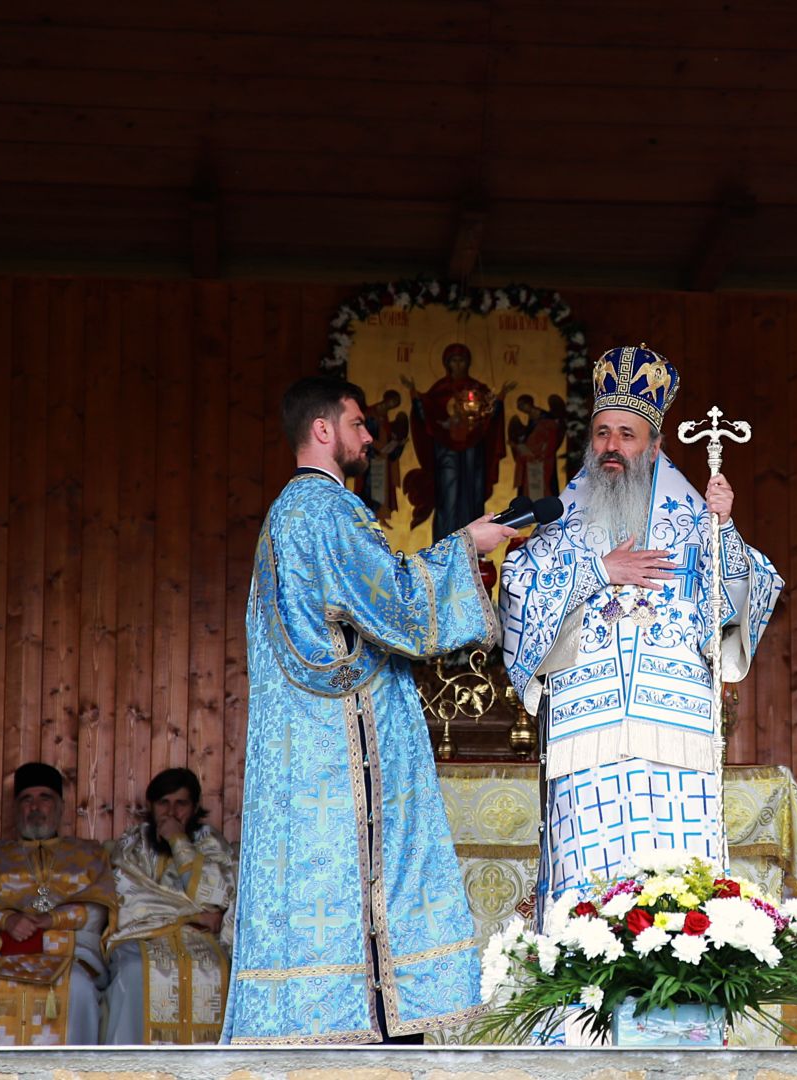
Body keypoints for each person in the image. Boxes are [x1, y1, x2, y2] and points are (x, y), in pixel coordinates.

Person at [224, 375, 514, 1044]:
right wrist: (465, 545)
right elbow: (398, 604)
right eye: (357, 424)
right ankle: (374, 1032)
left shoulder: (284, 515)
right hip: (342, 753)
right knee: (368, 891)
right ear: (323, 431)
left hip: (301, 748)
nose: (367, 438)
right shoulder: (328, 511)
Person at [500, 345, 782, 904]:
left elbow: (744, 596)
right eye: (603, 433)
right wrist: (597, 570)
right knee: (589, 901)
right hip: (588, 735)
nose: (612, 446)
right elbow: (516, 585)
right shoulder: (562, 523)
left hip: (673, 736)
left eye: (627, 435)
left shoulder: (694, 520)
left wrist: (723, 528)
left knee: (676, 898)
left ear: (655, 446)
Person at [0, 763, 117, 1046]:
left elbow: (100, 907)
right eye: (26, 799)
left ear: (60, 806)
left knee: (79, 990)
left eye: (44, 797)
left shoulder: (89, 852)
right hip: (5, 949)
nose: (35, 806)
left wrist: (52, 920)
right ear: (16, 808)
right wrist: (7, 919)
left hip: (69, 953)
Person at [105, 767, 237, 1045]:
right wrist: (196, 914)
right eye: (163, 803)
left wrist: (179, 841)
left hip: (201, 940)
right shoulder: (133, 843)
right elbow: (130, 897)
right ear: (151, 807)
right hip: (143, 938)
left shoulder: (210, 841)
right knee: (133, 972)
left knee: (218, 970)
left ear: (195, 807)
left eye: (181, 804)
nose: (171, 812)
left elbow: (221, 894)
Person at [401, 342, 516, 539]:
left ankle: (474, 545)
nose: (458, 364)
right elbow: (428, 415)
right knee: (448, 496)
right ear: (447, 363)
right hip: (446, 452)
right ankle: (444, 546)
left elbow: (488, 416)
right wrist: (415, 398)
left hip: (473, 452)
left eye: (462, 360)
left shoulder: (478, 389)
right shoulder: (440, 390)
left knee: (472, 497)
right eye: (454, 360)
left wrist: (500, 399)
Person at [352, 388, 409, 522]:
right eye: (393, 401)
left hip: (381, 460)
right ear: (387, 399)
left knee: (381, 490)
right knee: (368, 489)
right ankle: (368, 518)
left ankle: (380, 518)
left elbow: (386, 438)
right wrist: (378, 449)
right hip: (372, 458)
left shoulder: (384, 417)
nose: (393, 405)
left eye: (395, 404)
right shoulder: (370, 414)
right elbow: (366, 436)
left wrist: (397, 444)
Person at [508, 393, 565, 501]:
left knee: (543, 488)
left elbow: (546, 439)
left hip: (542, 459)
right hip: (532, 461)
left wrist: (527, 449)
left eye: (522, 405)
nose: (521, 409)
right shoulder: (532, 419)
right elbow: (530, 438)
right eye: (519, 407)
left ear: (528, 403)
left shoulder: (545, 419)